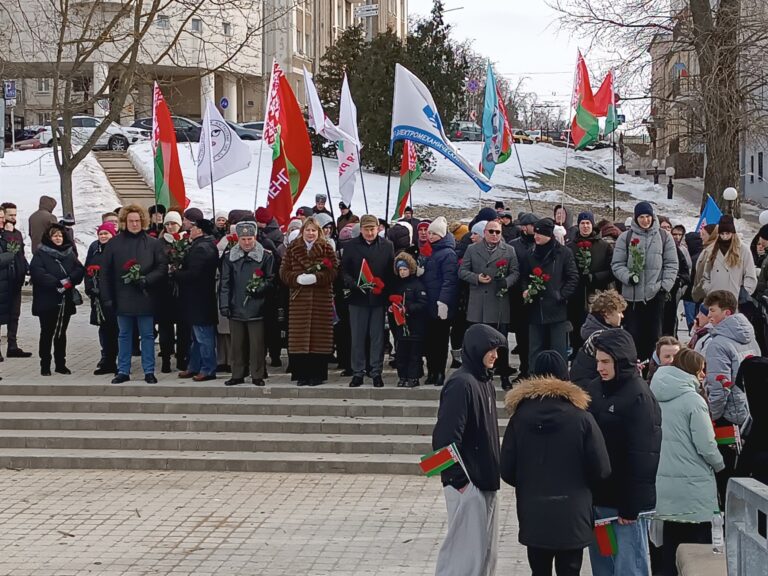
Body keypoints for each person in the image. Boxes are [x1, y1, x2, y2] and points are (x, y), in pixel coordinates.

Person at [501, 374, 610, 576]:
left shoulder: (519, 419)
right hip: (573, 512)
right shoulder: (582, 418)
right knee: (570, 570)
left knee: (539, 570)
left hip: (533, 512)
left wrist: (529, 483)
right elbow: (601, 468)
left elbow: (506, 469)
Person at [432, 324, 508, 576]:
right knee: (463, 558)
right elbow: (443, 438)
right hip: (467, 484)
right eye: (491, 349)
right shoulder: (461, 384)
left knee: (485, 556)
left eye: (497, 350)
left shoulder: (484, 382)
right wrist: (459, 482)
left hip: (485, 481)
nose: (495, 355)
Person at [587, 329, 662, 576]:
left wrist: (631, 506)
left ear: (621, 360)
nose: (600, 367)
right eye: (598, 361)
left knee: (629, 567)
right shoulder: (595, 389)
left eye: (606, 362)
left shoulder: (639, 396)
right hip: (600, 502)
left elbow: (644, 455)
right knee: (604, 566)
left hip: (626, 508)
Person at [650, 349, 724, 576]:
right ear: (691, 370)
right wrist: (720, 464)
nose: (703, 375)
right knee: (697, 555)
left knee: (669, 550)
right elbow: (706, 444)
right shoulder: (693, 400)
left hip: (663, 487)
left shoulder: (654, 395)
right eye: (701, 370)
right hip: (693, 489)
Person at [702, 289, 759, 502]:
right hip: (748, 412)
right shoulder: (750, 337)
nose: (709, 315)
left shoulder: (718, 344)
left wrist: (712, 416)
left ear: (726, 313)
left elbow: (719, 387)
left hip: (727, 417)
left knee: (725, 475)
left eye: (712, 310)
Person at [101, 204, 168, 384]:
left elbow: (162, 267)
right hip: (122, 296)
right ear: (124, 222)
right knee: (124, 335)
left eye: (137, 221)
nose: (134, 224)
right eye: (131, 221)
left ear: (143, 221)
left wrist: (147, 279)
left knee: (147, 335)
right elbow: (105, 272)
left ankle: (149, 371)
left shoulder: (153, 243)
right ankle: (123, 370)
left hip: (146, 295)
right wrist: (107, 298)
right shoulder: (114, 244)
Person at [611, 201, 678, 362]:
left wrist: (664, 286)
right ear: (636, 218)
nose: (645, 220)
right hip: (632, 297)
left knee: (654, 337)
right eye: (641, 217)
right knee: (633, 336)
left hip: (655, 294)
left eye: (648, 216)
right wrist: (628, 277)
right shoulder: (625, 238)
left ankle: (653, 368)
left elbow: (671, 264)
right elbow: (617, 264)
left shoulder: (664, 237)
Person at [459, 219, 520, 390]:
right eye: (491, 231)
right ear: (484, 233)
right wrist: (476, 278)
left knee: (501, 341)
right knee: (478, 341)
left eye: (497, 232)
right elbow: (462, 271)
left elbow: (515, 272)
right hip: (478, 301)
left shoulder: (509, 250)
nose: (494, 235)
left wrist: (506, 282)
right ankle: (478, 374)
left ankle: (504, 374)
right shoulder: (472, 249)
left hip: (498, 300)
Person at [280, 217, 338, 386]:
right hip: (299, 300)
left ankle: (317, 375)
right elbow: (283, 272)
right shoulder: (292, 248)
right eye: (308, 230)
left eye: (313, 230)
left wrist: (317, 277)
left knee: (319, 338)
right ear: (302, 231)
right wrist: (296, 278)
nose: (310, 233)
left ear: (318, 232)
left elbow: (334, 271)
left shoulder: (326, 247)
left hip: (321, 299)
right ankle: (301, 375)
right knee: (300, 338)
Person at [220, 221, 276, 386]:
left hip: (257, 306)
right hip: (235, 305)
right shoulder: (230, 257)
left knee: (257, 344)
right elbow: (225, 283)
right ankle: (237, 373)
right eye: (243, 239)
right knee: (237, 344)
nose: (246, 242)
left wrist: (259, 288)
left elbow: (271, 279)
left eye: (250, 238)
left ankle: (257, 374)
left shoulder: (265, 256)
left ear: (255, 237)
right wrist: (224, 304)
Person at [341, 214, 394, 387]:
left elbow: (390, 272)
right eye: (366, 229)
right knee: (357, 337)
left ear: (378, 228)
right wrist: (354, 284)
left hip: (378, 299)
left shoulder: (387, 246)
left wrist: (387, 292)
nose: (370, 233)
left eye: (373, 229)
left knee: (377, 337)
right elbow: (344, 271)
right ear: (361, 230)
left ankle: (376, 371)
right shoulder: (351, 246)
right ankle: (358, 372)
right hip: (358, 298)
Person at [29, 223, 85, 376]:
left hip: (65, 298)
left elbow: (79, 269)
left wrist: (69, 280)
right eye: (55, 236)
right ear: (49, 238)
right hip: (47, 299)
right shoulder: (41, 253)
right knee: (47, 332)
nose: (58, 238)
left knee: (61, 333)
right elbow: (38, 272)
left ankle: (61, 364)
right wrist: (57, 282)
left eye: (60, 235)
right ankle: (45, 364)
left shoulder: (69, 253)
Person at [524, 218, 579, 369]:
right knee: (535, 349)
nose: (536, 236)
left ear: (548, 235)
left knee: (558, 350)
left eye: (539, 234)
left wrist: (561, 295)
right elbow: (524, 276)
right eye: (535, 233)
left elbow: (573, 277)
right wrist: (526, 290)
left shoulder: (564, 253)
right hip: (536, 308)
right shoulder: (530, 253)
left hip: (557, 309)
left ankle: (560, 378)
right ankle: (534, 378)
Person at [175, 219, 220, 382]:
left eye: (193, 227)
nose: (190, 229)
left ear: (200, 230)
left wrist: (175, 273)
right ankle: (194, 366)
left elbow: (194, 274)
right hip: (197, 298)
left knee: (203, 336)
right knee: (196, 336)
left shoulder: (202, 248)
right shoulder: (203, 245)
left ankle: (208, 369)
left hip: (200, 298)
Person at [567, 211, 614, 353]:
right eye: (582, 223)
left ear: (592, 225)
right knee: (576, 327)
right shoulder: (570, 247)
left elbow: (611, 271)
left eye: (588, 223)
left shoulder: (604, 246)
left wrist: (595, 277)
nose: (585, 226)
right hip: (576, 295)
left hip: (597, 293)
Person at [422, 217, 459, 387]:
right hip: (428, 303)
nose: (430, 236)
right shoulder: (430, 251)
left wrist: (443, 302)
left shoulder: (448, 253)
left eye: (433, 233)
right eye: (429, 233)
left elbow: (449, 280)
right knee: (429, 340)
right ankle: (431, 371)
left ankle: (439, 372)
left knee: (440, 341)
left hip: (440, 304)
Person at [570, 289, 626, 388]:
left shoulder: (593, 332)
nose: (622, 316)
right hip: (590, 387)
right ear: (607, 314)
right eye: (619, 312)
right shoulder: (601, 338)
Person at [84, 221, 119, 375]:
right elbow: (87, 270)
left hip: (114, 297)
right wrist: (90, 288)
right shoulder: (95, 250)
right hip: (98, 297)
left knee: (116, 329)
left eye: (106, 233)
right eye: (101, 234)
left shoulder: (117, 250)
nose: (103, 236)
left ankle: (118, 359)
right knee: (104, 329)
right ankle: (106, 359)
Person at [156, 210, 189, 373]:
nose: (170, 227)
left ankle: (182, 357)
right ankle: (166, 358)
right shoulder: (159, 243)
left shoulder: (186, 241)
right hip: (165, 290)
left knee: (183, 327)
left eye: (173, 224)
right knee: (165, 327)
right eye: (167, 224)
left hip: (182, 289)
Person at [388, 253, 427, 388]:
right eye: (400, 270)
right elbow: (391, 300)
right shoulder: (396, 285)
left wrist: (408, 308)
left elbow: (423, 303)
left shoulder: (417, 285)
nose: (402, 272)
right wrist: (391, 308)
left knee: (414, 354)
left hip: (415, 324)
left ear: (410, 269)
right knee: (401, 353)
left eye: (405, 269)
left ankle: (413, 376)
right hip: (400, 325)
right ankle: (402, 376)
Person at [697, 215, 757, 302]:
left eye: (727, 233)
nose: (724, 237)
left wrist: (744, 292)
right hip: (715, 297)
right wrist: (709, 289)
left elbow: (750, 275)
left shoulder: (743, 250)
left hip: (734, 297)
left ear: (733, 233)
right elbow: (706, 274)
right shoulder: (713, 249)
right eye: (722, 234)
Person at [0, 202, 32, 358]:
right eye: (10, 215)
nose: (13, 218)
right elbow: (6, 254)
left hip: (15, 280)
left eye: (15, 215)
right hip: (2, 281)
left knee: (14, 314)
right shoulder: (3, 234)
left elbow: (20, 254)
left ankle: (12, 346)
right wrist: (7, 234)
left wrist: (27, 269)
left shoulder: (17, 233)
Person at [509, 213, 538, 379]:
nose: (526, 228)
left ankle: (534, 369)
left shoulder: (540, 243)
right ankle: (524, 368)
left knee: (536, 336)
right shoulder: (514, 245)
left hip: (537, 294)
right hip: (518, 297)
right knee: (522, 336)